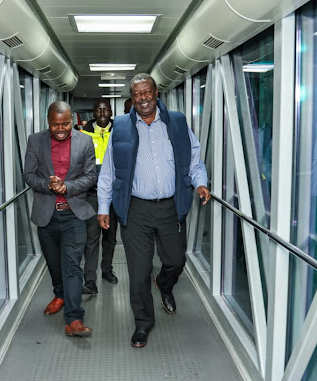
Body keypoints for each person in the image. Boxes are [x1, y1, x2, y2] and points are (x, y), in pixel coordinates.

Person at [97, 73, 210, 348]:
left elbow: (193, 160)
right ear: (132, 98)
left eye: (147, 92)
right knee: (138, 271)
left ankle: (165, 284)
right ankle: (143, 324)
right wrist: (103, 207)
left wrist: (201, 184)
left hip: (171, 207)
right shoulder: (121, 127)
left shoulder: (178, 122)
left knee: (175, 260)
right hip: (136, 210)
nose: (143, 98)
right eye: (137, 95)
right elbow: (109, 172)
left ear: (156, 93)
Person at [23, 101, 97, 337]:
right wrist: (48, 184)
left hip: (74, 213)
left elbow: (90, 177)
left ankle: (74, 318)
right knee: (54, 265)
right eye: (55, 125)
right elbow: (28, 175)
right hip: (47, 215)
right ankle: (60, 294)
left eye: (65, 123)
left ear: (72, 119)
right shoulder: (35, 141)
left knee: (72, 267)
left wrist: (66, 187)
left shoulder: (85, 141)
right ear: (48, 121)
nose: (61, 129)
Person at [80, 99, 118, 295]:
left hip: (113, 195)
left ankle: (107, 270)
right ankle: (90, 280)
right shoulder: (83, 135)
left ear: (110, 112)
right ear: (93, 112)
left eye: (106, 109)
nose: (102, 112)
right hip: (92, 195)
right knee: (92, 238)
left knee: (110, 237)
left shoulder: (119, 132)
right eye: (98, 109)